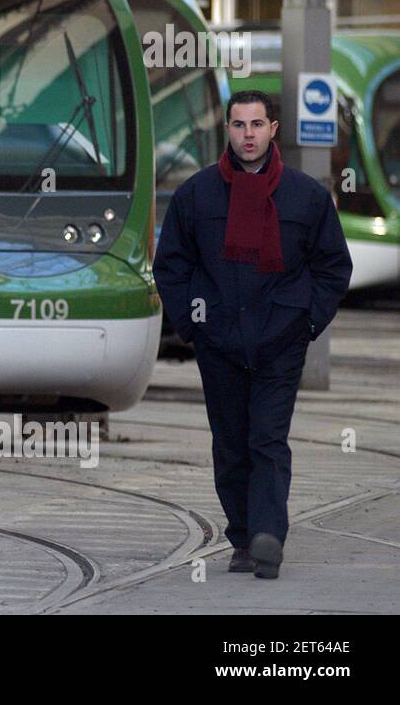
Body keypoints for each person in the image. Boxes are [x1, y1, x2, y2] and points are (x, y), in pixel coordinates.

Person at [153, 90, 352, 579]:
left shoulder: (306, 196)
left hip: (280, 339)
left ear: (273, 130)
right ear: (228, 130)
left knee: (267, 439)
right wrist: (191, 325)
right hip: (218, 340)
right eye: (239, 125)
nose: (248, 135)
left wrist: (306, 322)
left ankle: (267, 536)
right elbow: (171, 266)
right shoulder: (195, 195)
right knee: (230, 443)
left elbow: (333, 266)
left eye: (257, 125)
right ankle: (242, 536)